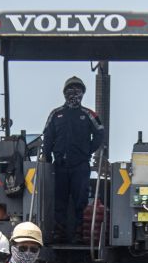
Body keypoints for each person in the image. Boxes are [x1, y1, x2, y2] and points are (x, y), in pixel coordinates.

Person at [41, 76, 104, 243]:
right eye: (70, 89)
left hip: (81, 166)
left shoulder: (89, 114)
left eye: (78, 90)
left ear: (83, 93)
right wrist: (47, 159)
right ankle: (58, 233)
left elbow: (99, 134)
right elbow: (47, 137)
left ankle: (79, 233)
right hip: (60, 165)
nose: (74, 93)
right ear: (64, 93)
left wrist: (87, 151)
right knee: (59, 201)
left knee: (80, 200)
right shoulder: (56, 114)